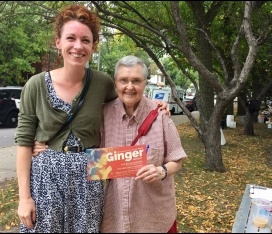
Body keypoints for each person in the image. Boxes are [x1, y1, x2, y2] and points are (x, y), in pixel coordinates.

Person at [15, 5, 168, 233]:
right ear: (58, 42)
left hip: (89, 178)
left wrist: (156, 103)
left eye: (85, 40)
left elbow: (128, 97)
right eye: (71, 38)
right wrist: (24, 198)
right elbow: (24, 143)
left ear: (93, 46)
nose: (78, 46)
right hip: (46, 179)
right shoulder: (35, 85)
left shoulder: (102, 83)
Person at [33, 55, 186, 233]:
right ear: (115, 83)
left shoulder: (160, 117)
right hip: (116, 216)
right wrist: (41, 144)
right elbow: (78, 138)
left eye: (136, 81)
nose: (129, 87)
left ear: (145, 83)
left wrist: (162, 171)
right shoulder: (103, 115)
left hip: (154, 216)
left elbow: (177, 160)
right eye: (123, 80)